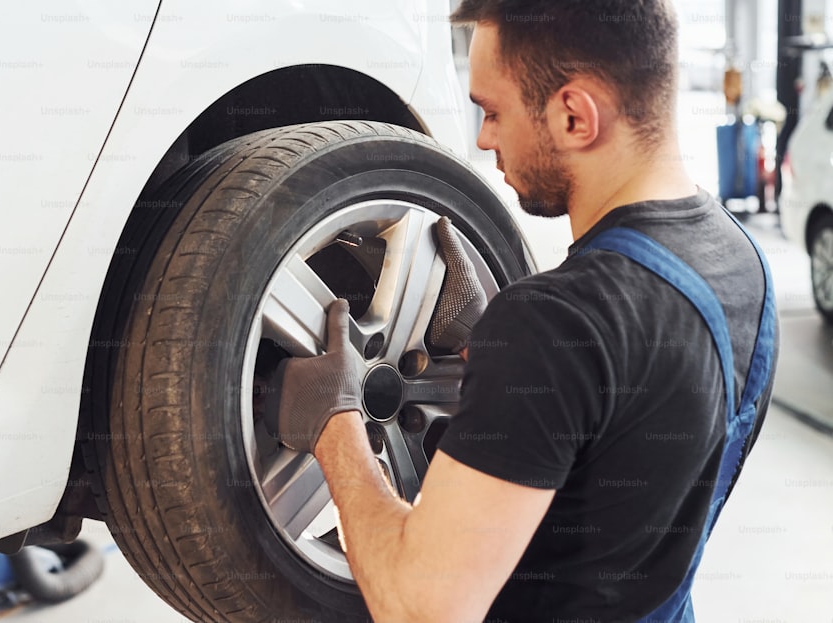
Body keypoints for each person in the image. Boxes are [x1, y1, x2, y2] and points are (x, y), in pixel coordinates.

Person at [269, 1, 778, 621]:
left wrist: (336, 423)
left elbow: (418, 606)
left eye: (492, 111)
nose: (483, 139)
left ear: (573, 116)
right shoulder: (743, 262)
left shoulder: (553, 320)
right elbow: (621, 442)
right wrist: (501, 366)